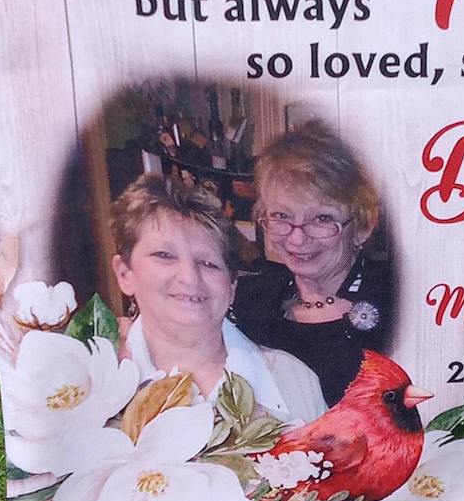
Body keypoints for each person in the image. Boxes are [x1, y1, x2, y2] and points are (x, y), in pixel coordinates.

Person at [111, 177, 325, 424]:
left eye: (208, 263)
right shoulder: (87, 383)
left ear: (232, 287)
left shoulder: (294, 382)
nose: (189, 277)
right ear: (125, 274)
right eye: (165, 255)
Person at [232, 122, 395, 405]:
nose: (297, 238)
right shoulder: (246, 301)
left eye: (321, 218)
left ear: (363, 226)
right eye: (282, 216)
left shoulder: (399, 303)